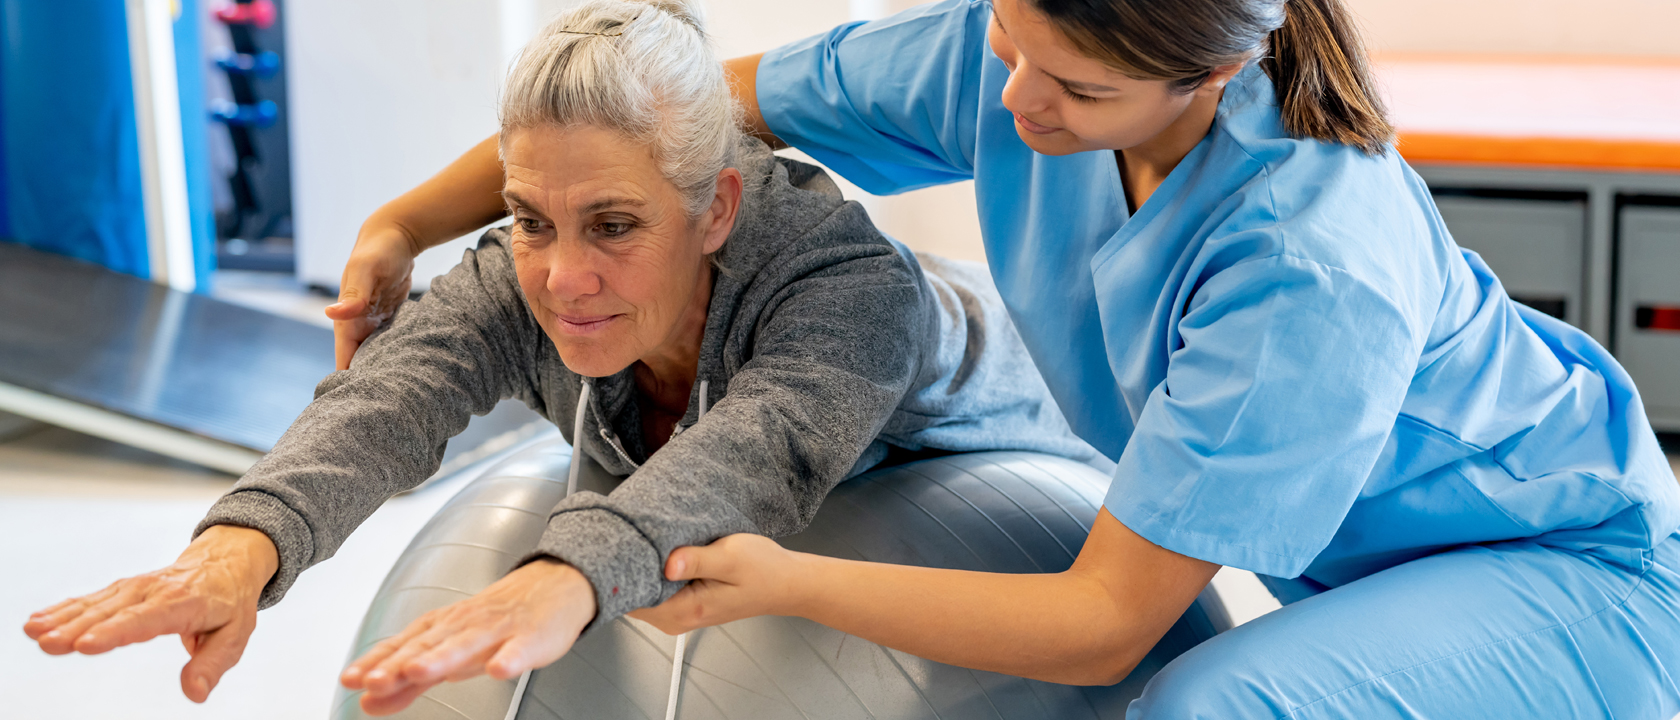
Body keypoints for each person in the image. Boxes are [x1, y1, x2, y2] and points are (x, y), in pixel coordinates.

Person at [308, 0, 1680, 717]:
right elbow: (653, 111)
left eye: (1072, 88)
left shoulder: (1310, 263)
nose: (1013, 100)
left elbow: (1101, 626)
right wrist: (410, 221)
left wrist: (790, 584)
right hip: (1341, 556)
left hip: (1555, 565)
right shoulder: (1011, 52)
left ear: (1204, 76)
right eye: (1015, 44)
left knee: (1215, 702)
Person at [22, 1, 1104, 715]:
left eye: (615, 227)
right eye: (532, 218)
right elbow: (394, 394)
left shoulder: (849, 292)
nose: (563, 277)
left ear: (717, 204)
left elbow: (750, 457)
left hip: (1011, 459)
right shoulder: (525, 267)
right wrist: (241, 549)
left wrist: (568, 573)